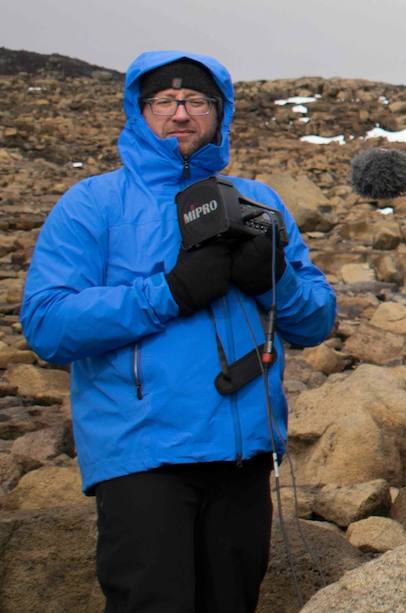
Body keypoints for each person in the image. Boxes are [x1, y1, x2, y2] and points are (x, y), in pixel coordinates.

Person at [21, 51, 337, 612]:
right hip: (143, 456)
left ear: (220, 114)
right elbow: (47, 323)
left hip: (240, 454)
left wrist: (273, 280)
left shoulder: (259, 203)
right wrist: (170, 292)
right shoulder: (93, 204)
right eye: (164, 101)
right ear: (139, 112)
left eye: (196, 101)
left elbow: (315, 321)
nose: (181, 113)